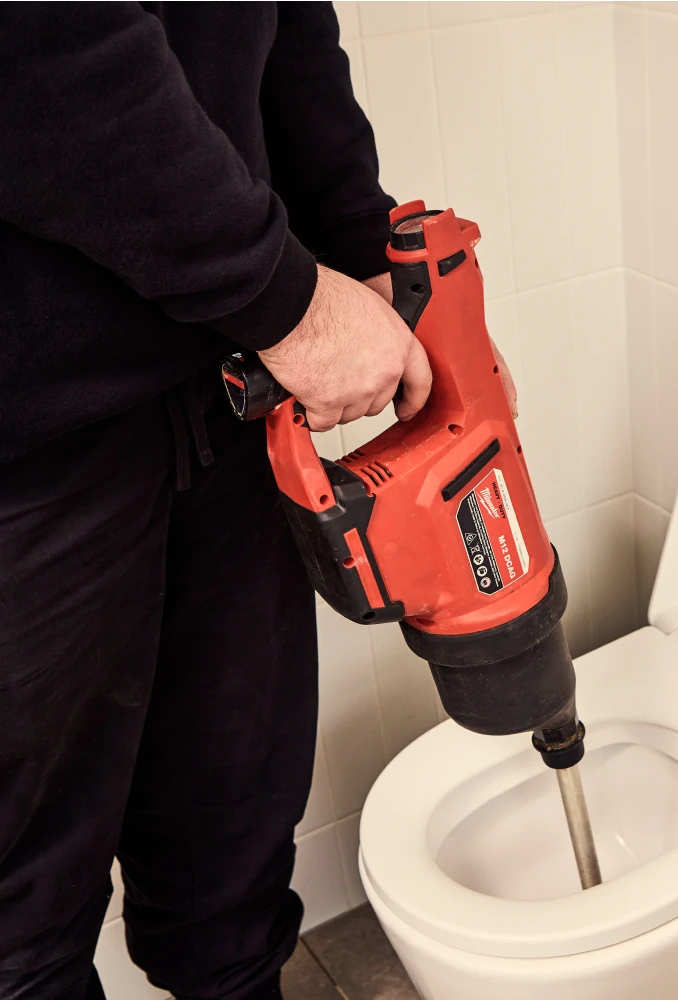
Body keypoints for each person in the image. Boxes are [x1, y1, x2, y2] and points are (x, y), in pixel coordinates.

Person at [0, 5, 513, 999]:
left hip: (225, 386)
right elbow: (36, 45)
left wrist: (362, 242)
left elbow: (271, 24)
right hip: (27, 446)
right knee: (20, 933)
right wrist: (293, 304)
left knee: (229, 855)